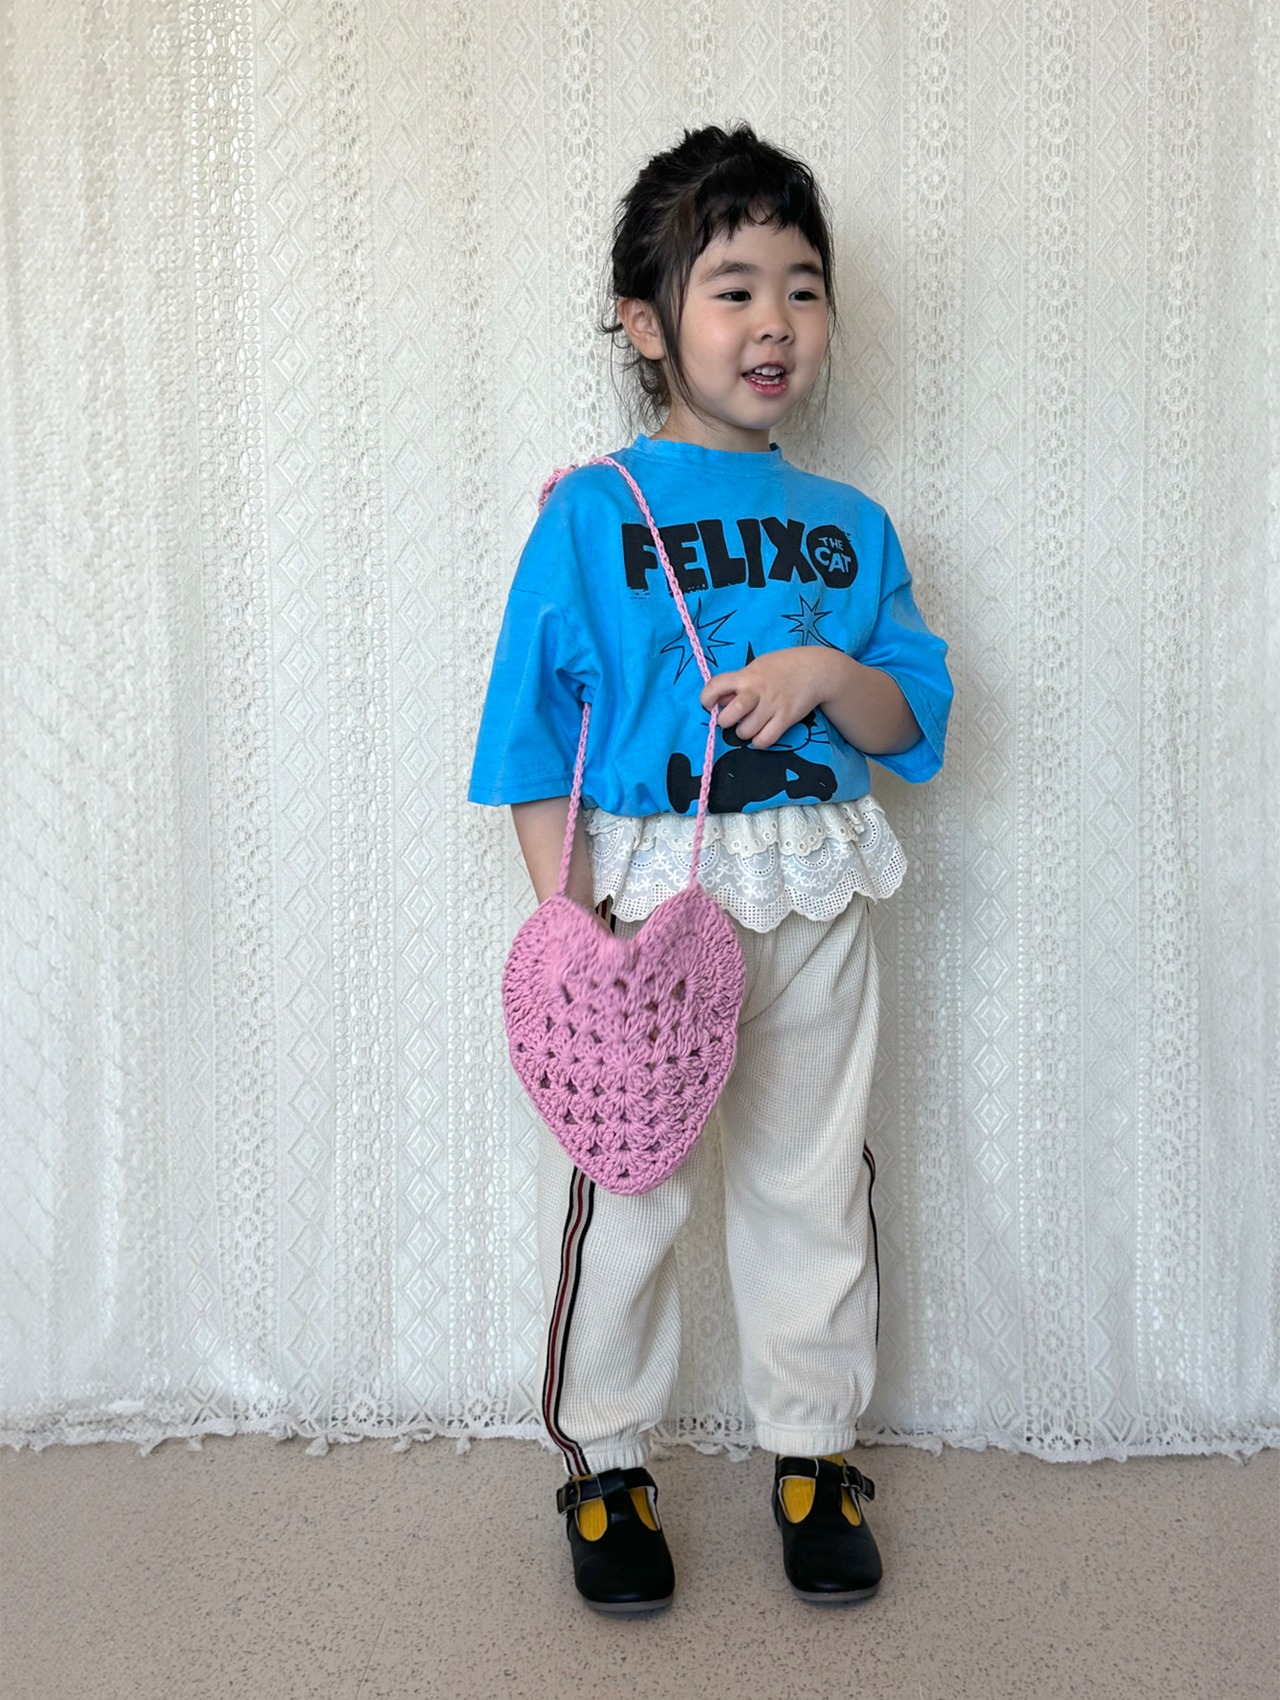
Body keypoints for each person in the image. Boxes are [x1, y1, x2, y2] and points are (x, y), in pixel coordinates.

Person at [469, 123, 953, 1614]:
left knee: (812, 1175)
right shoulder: (593, 510)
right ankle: (606, 1462)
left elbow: (914, 723)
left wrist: (823, 672)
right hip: (647, 900)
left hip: (816, 893)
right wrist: (572, 929)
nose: (774, 323)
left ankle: (813, 1450)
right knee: (633, 1181)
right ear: (645, 320)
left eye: (802, 288)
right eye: (733, 288)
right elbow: (531, 741)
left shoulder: (852, 527)